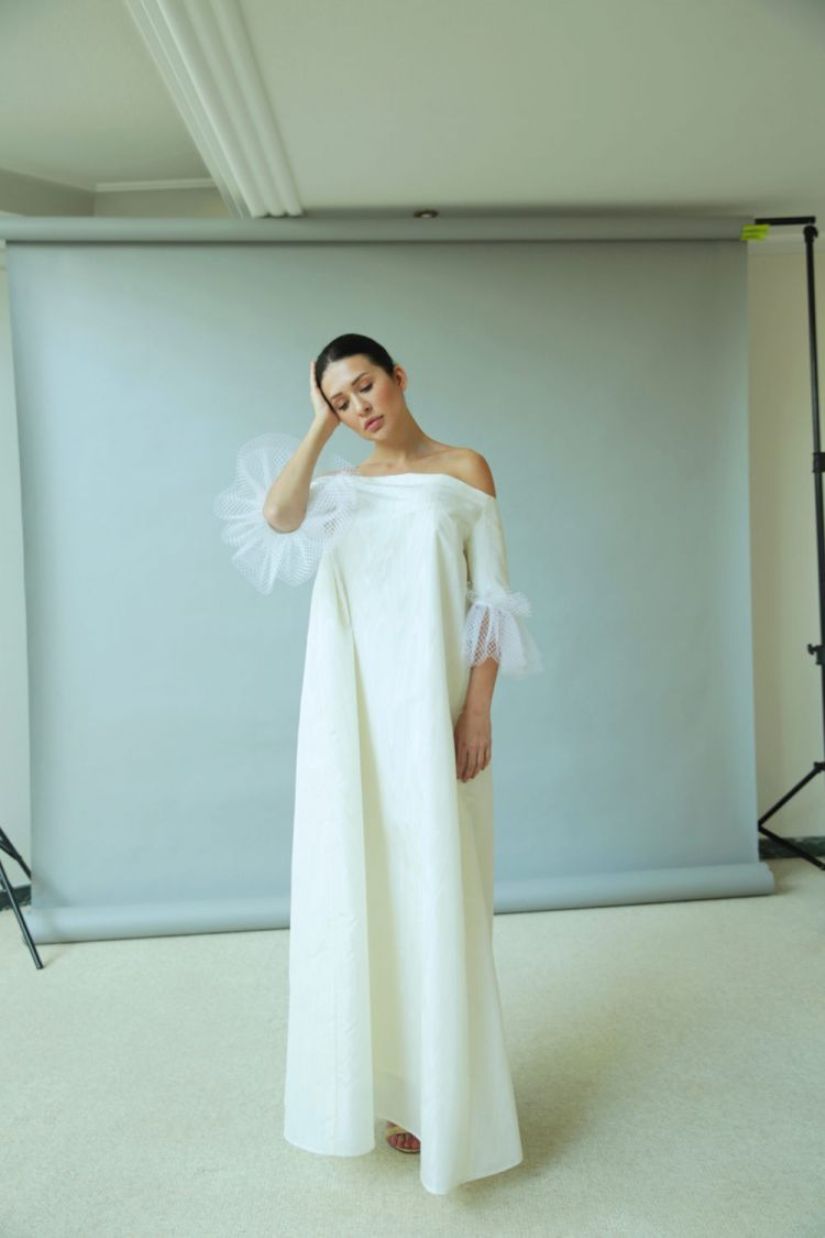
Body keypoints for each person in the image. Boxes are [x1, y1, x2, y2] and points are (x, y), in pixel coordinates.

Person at [213, 333, 543, 1195]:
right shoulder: (335, 489)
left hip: (432, 715)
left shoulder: (464, 470)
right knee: (361, 894)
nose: (359, 408)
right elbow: (274, 521)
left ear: (398, 376)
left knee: (438, 893)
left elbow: (491, 601)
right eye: (340, 400)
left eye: (365, 387)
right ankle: (388, 1091)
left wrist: (476, 711)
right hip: (350, 720)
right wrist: (316, 430)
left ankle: (447, 1097)